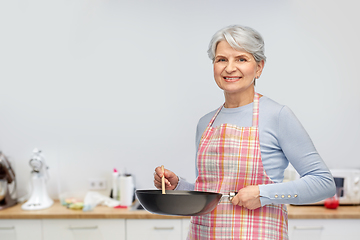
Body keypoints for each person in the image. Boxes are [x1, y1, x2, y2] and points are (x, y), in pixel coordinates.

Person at [153, 25, 336, 240]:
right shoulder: (206, 123)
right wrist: (179, 186)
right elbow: (214, 193)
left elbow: (324, 183)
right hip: (203, 234)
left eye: (241, 59)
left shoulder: (277, 116)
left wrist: (264, 194)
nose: (229, 68)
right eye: (221, 59)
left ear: (259, 67)